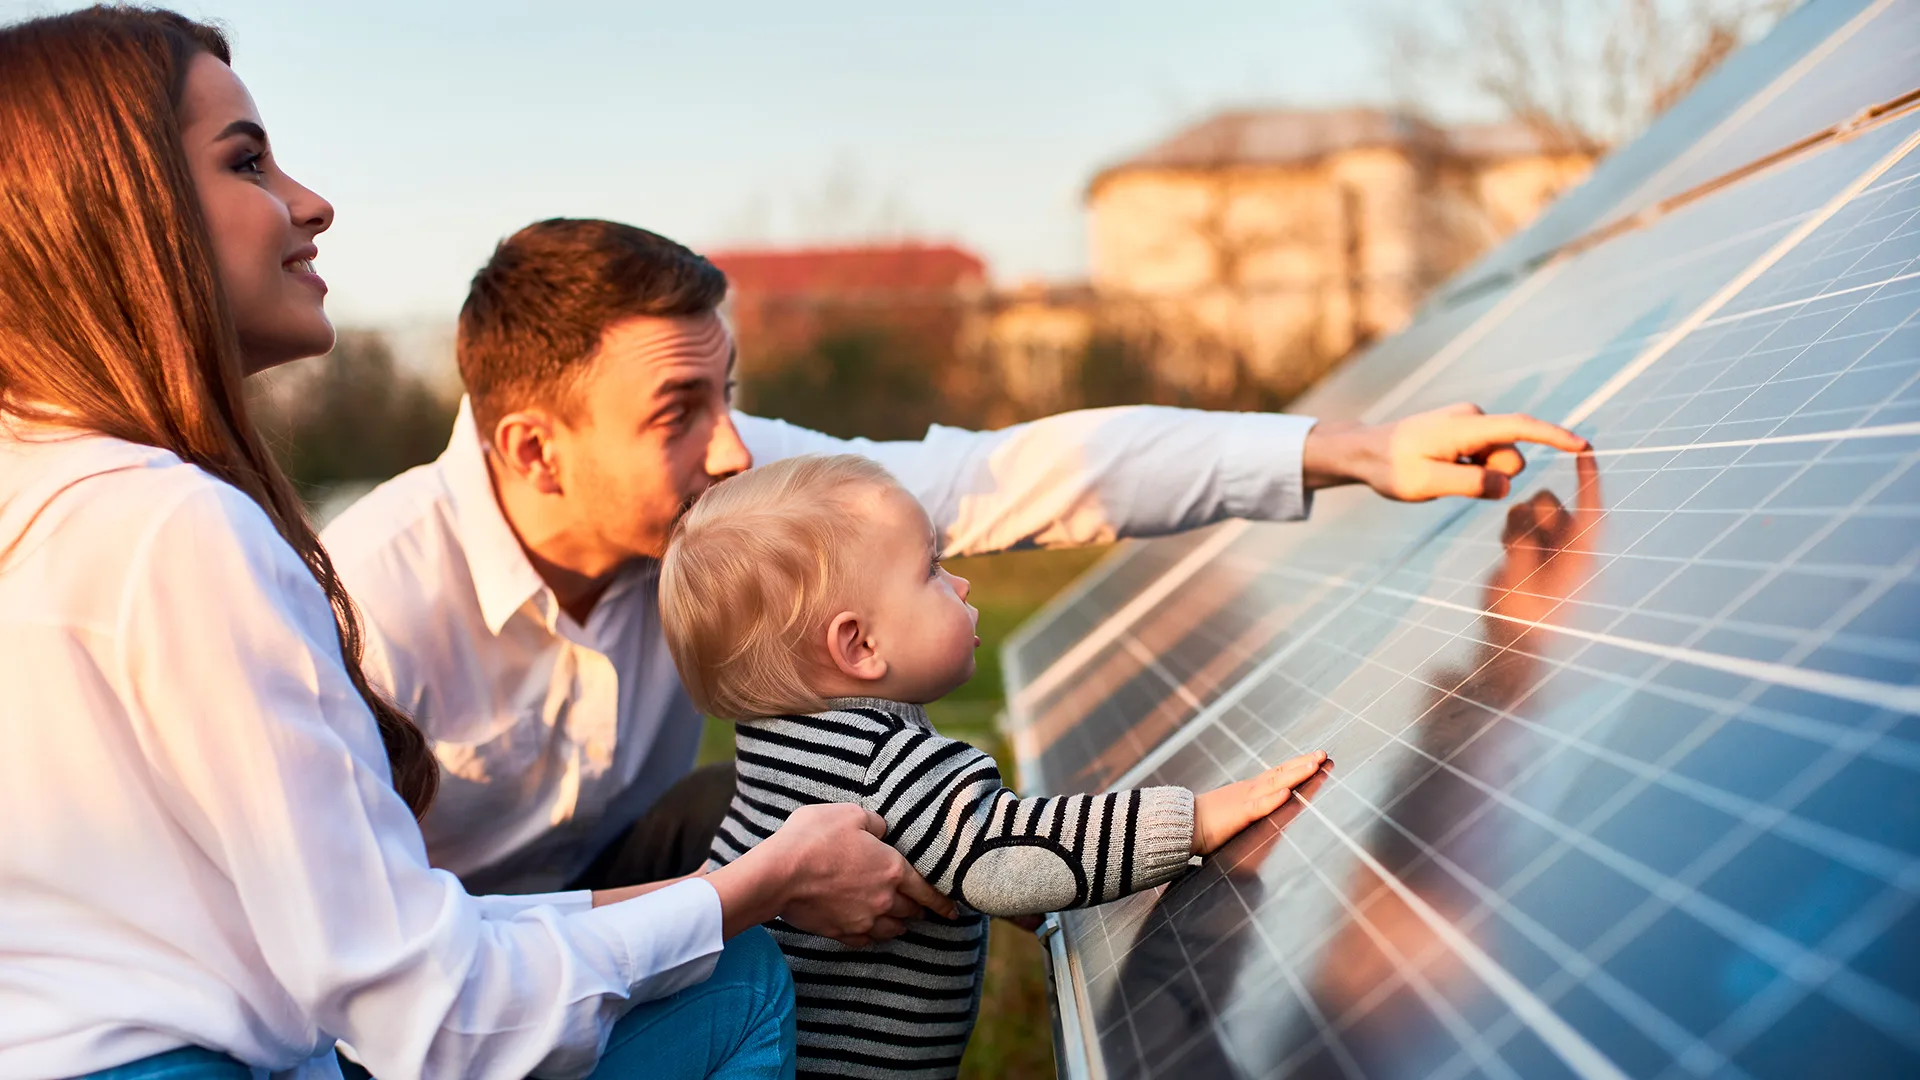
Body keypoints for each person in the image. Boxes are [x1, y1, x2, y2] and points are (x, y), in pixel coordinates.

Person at [0, 9, 950, 1080]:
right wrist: (753, 892)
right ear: (117, 215)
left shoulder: (42, 496)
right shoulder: (178, 530)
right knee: (738, 988)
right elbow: (433, 1016)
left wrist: (738, 883)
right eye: (247, 161)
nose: (311, 202)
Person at [322, 218, 1589, 903]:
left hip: (615, 891)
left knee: (833, 809)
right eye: (677, 415)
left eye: (730, 395)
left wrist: (1349, 449)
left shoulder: (730, 488)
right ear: (535, 452)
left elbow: (1006, 475)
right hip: (436, 991)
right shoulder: (365, 606)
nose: (729, 456)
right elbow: (360, 960)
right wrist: (738, 903)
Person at [656, 453, 1333, 1077]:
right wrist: (1195, 820)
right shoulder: (885, 763)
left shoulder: (780, 746)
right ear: (859, 645)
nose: (960, 580)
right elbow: (1006, 854)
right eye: (931, 570)